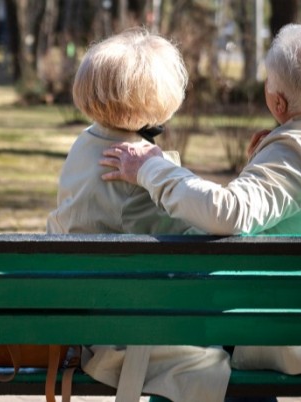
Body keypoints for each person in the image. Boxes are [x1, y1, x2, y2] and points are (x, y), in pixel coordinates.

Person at [100, 24, 301, 399]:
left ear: (278, 102)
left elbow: (228, 214)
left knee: (205, 341)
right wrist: (265, 161)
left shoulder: (298, 152)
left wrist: (150, 168)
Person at [47, 28, 229, 402]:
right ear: (159, 97)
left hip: (87, 313)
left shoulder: (86, 143)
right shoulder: (133, 168)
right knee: (228, 360)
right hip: (123, 332)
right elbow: (203, 237)